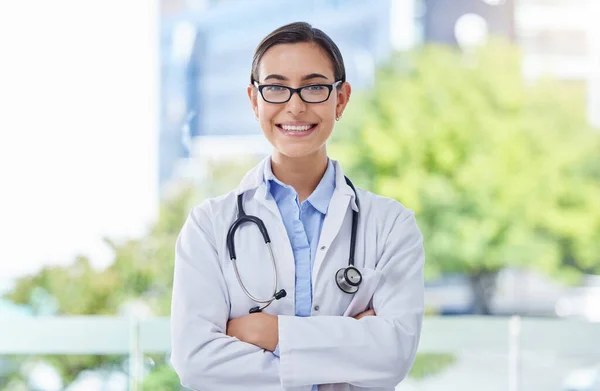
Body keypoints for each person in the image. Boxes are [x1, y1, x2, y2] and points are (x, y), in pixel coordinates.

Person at [170, 21, 425, 391]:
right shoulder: (209, 225)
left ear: (341, 99)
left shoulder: (390, 224)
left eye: (314, 87)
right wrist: (345, 349)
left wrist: (268, 332)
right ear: (254, 100)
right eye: (275, 88)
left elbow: (393, 356)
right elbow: (196, 365)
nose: (295, 105)